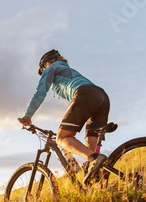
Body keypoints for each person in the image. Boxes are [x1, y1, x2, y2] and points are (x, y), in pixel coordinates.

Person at [18, 49, 110, 183]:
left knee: (62, 138)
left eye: (43, 68)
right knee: (91, 155)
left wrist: (27, 116)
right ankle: (99, 186)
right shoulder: (68, 70)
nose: (44, 71)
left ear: (47, 63)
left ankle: (95, 161)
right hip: (101, 96)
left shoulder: (52, 68)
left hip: (84, 94)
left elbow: (40, 92)